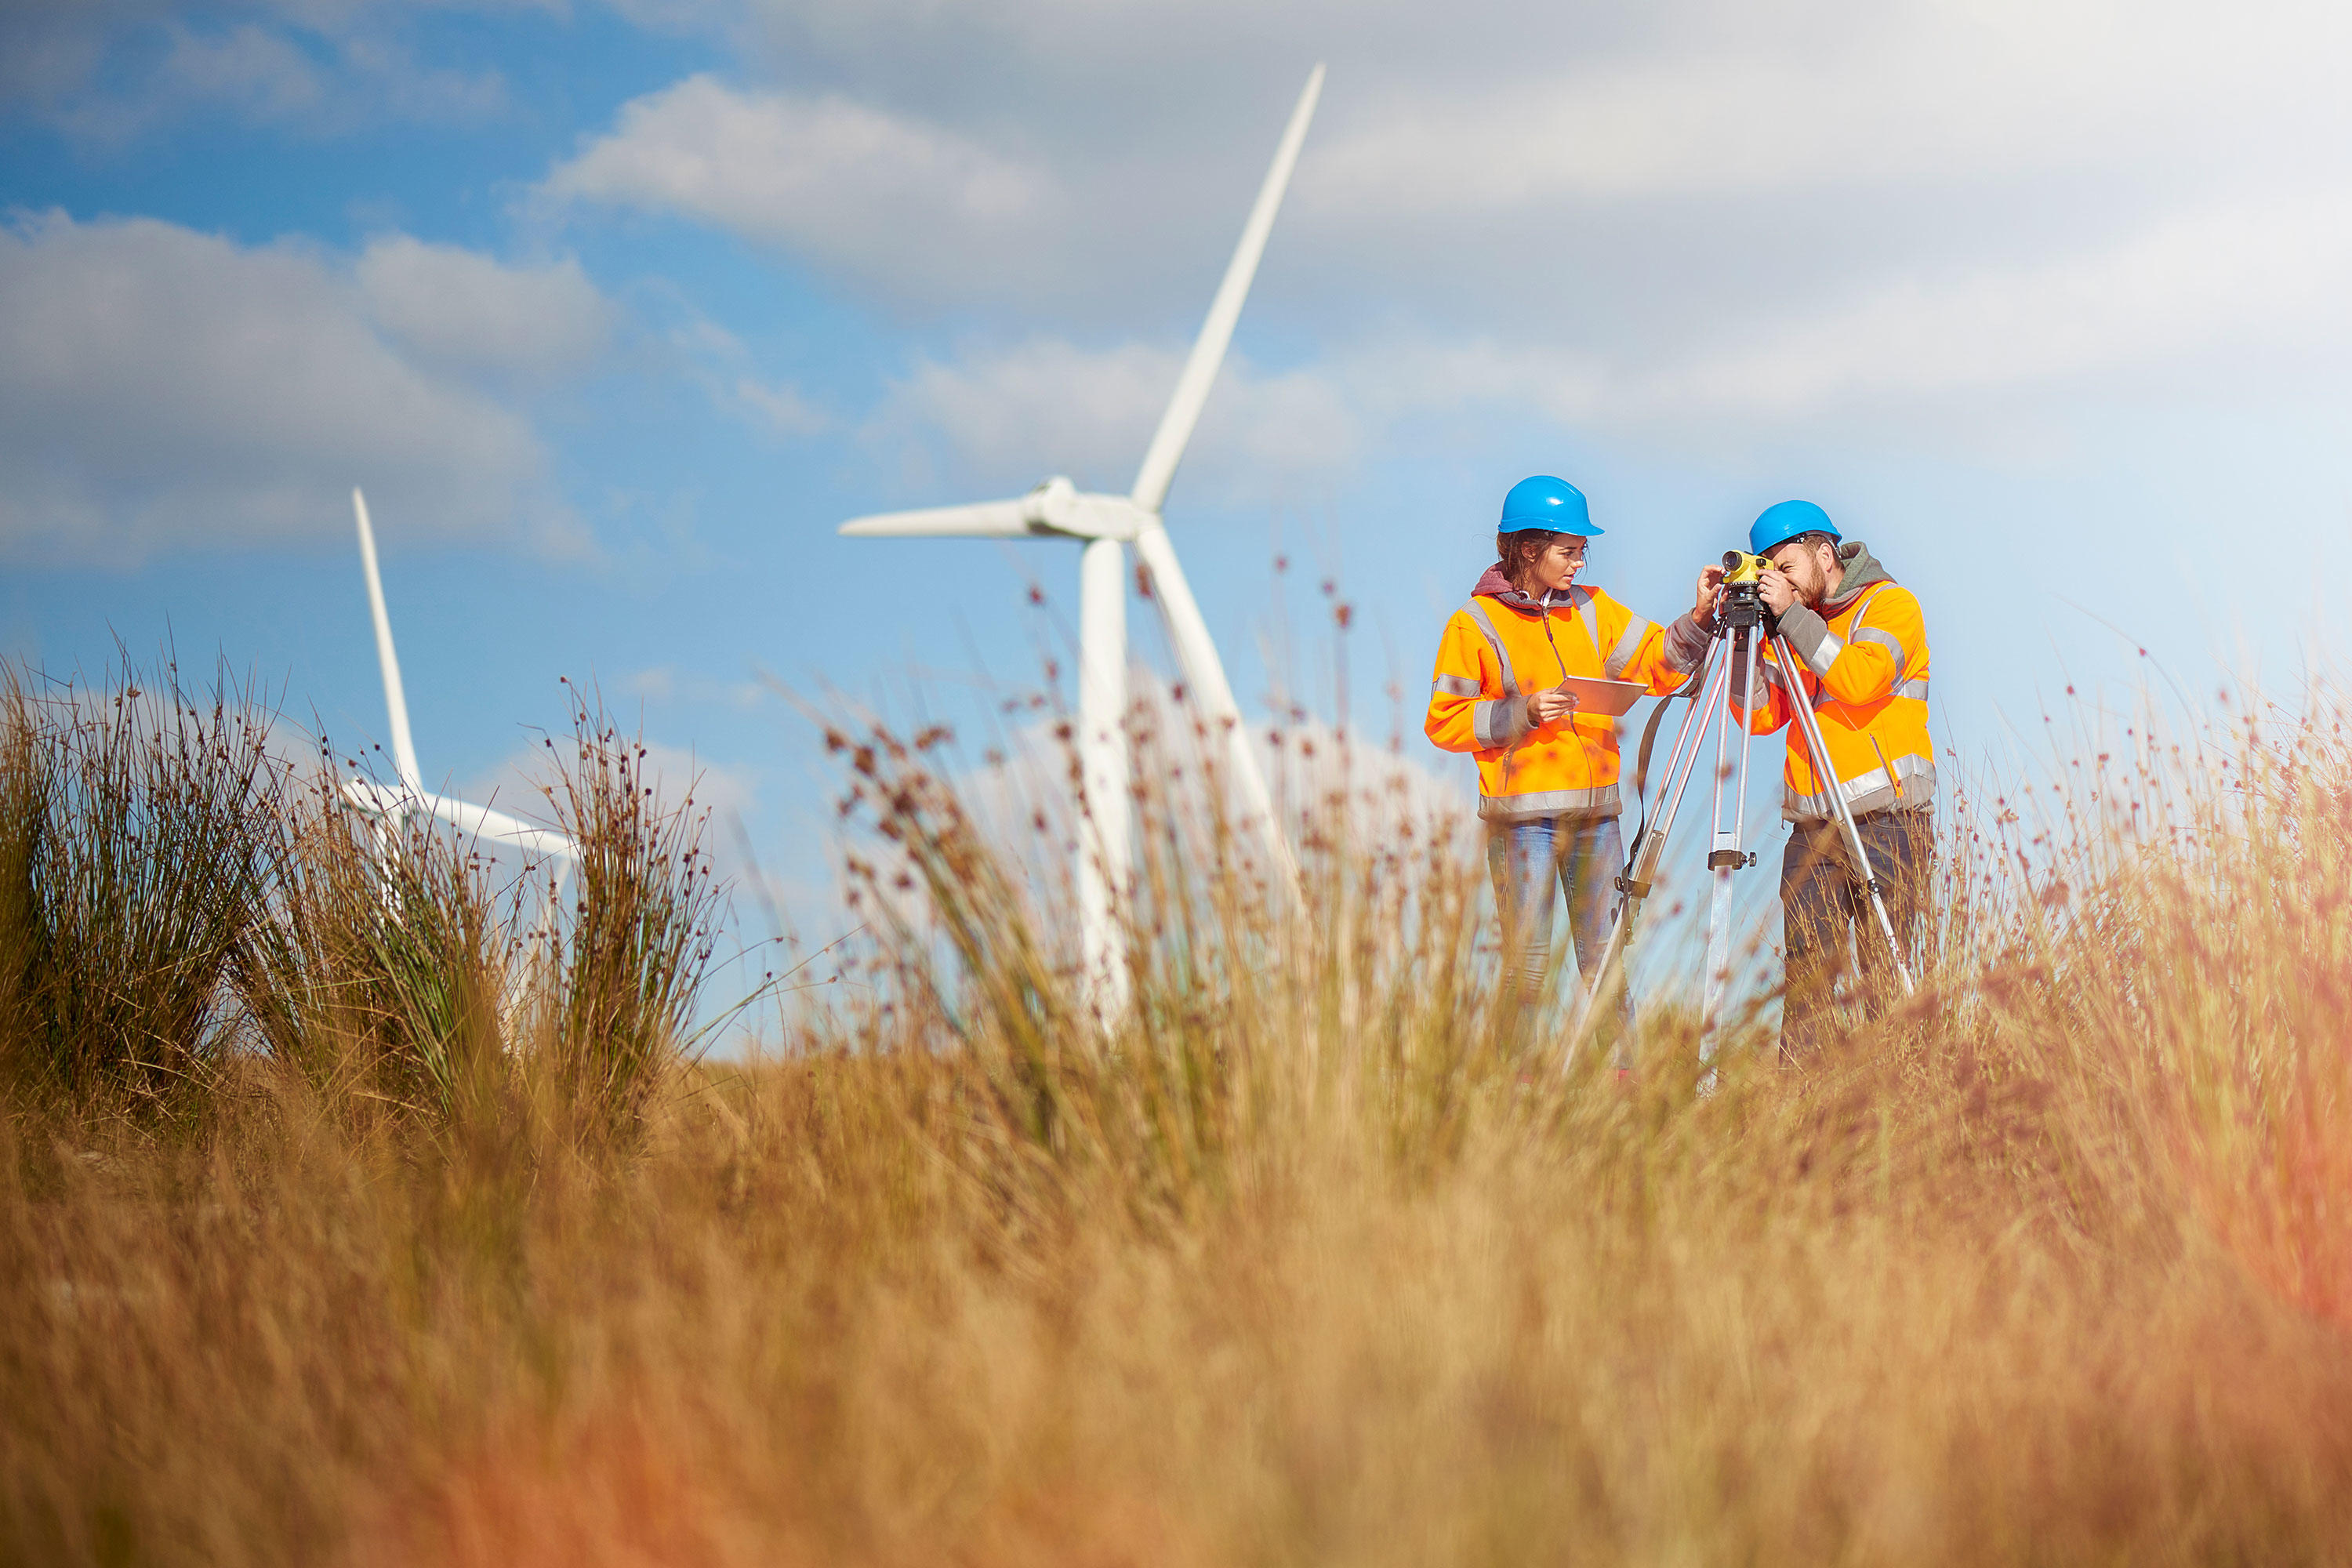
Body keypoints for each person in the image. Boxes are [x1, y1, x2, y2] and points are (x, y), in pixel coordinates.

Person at [1425, 475, 1715, 1058]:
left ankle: (1625, 1084)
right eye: (1568, 550)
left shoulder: (1593, 610)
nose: (1580, 562)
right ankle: (1517, 1088)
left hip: (1595, 819)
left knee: (1605, 963)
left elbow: (1659, 661)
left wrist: (1701, 617)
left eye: (1584, 550)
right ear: (1529, 549)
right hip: (1522, 825)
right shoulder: (1473, 624)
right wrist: (1522, 712)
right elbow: (1444, 720)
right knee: (1528, 969)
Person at [1696, 499, 1934, 1060]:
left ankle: (1899, 1105)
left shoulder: (1891, 605)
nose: (1778, 582)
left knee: (1884, 979)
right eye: (1768, 571)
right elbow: (1758, 717)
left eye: (1785, 568)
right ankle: (1804, 1115)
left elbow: (1860, 680)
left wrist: (1795, 622)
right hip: (1812, 832)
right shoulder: (1797, 629)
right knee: (1806, 985)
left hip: (1889, 825)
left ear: (1824, 554)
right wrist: (1740, 641)